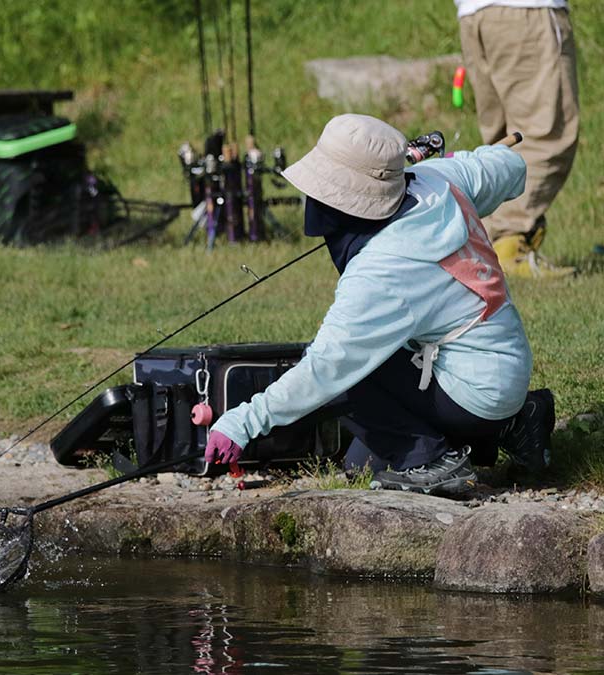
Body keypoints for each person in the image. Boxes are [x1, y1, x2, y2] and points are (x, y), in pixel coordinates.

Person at [204, 114, 555, 496]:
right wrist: (466, 159)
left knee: (347, 375)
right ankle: (517, 424)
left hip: (474, 391)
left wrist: (241, 423)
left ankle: (434, 463)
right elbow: (511, 166)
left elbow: (326, 368)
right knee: (362, 464)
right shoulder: (438, 179)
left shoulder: (382, 269)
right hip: (505, 370)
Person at [455, 0, 579, 279]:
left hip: (474, 14)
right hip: (527, 11)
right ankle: (508, 242)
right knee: (546, 134)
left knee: (501, 142)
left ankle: (484, 244)